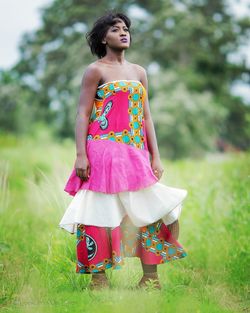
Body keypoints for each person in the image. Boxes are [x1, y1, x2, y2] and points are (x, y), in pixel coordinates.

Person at [59, 11, 188, 290]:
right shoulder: (96, 70)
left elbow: (147, 116)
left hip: (135, 152)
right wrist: (81, 154)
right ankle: (99, 279)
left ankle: (150, 278)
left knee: (147, 209)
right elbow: (82, 113)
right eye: (116, 29)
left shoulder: (139, 71)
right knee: (98, 211)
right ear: (103, 37)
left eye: (126, 28)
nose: (123, 32)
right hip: (102, 151)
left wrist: (155, 155)